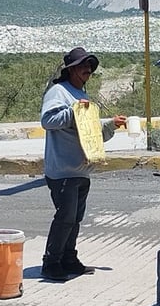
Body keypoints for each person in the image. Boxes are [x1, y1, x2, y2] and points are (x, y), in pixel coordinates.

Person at [40, 47, 127, 281]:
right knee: (65, 217)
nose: (88, 70)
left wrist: (111, 125)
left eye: (90, 66)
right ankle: (51, 262)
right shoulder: (59, 92)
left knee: (75, 219)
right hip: (62, 171)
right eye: (82, 66)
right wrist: (74, 111)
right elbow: (48, 120)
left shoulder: (82, 95)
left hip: (81, 170)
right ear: (71, 70)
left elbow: (90, 131)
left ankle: (69, 259)